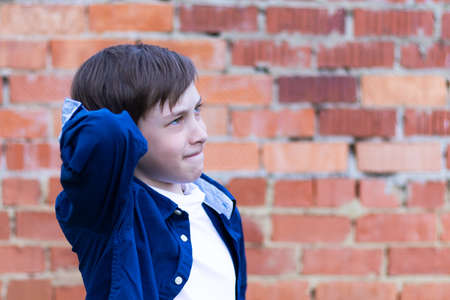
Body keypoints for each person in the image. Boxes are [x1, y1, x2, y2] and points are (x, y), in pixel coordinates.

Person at [55, 44, 247, 300]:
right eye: (176, 120)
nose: (201, 134)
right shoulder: (110, 214)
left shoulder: (216, 204)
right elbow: (104, 132)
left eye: (197, 111)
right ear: (131, 138)